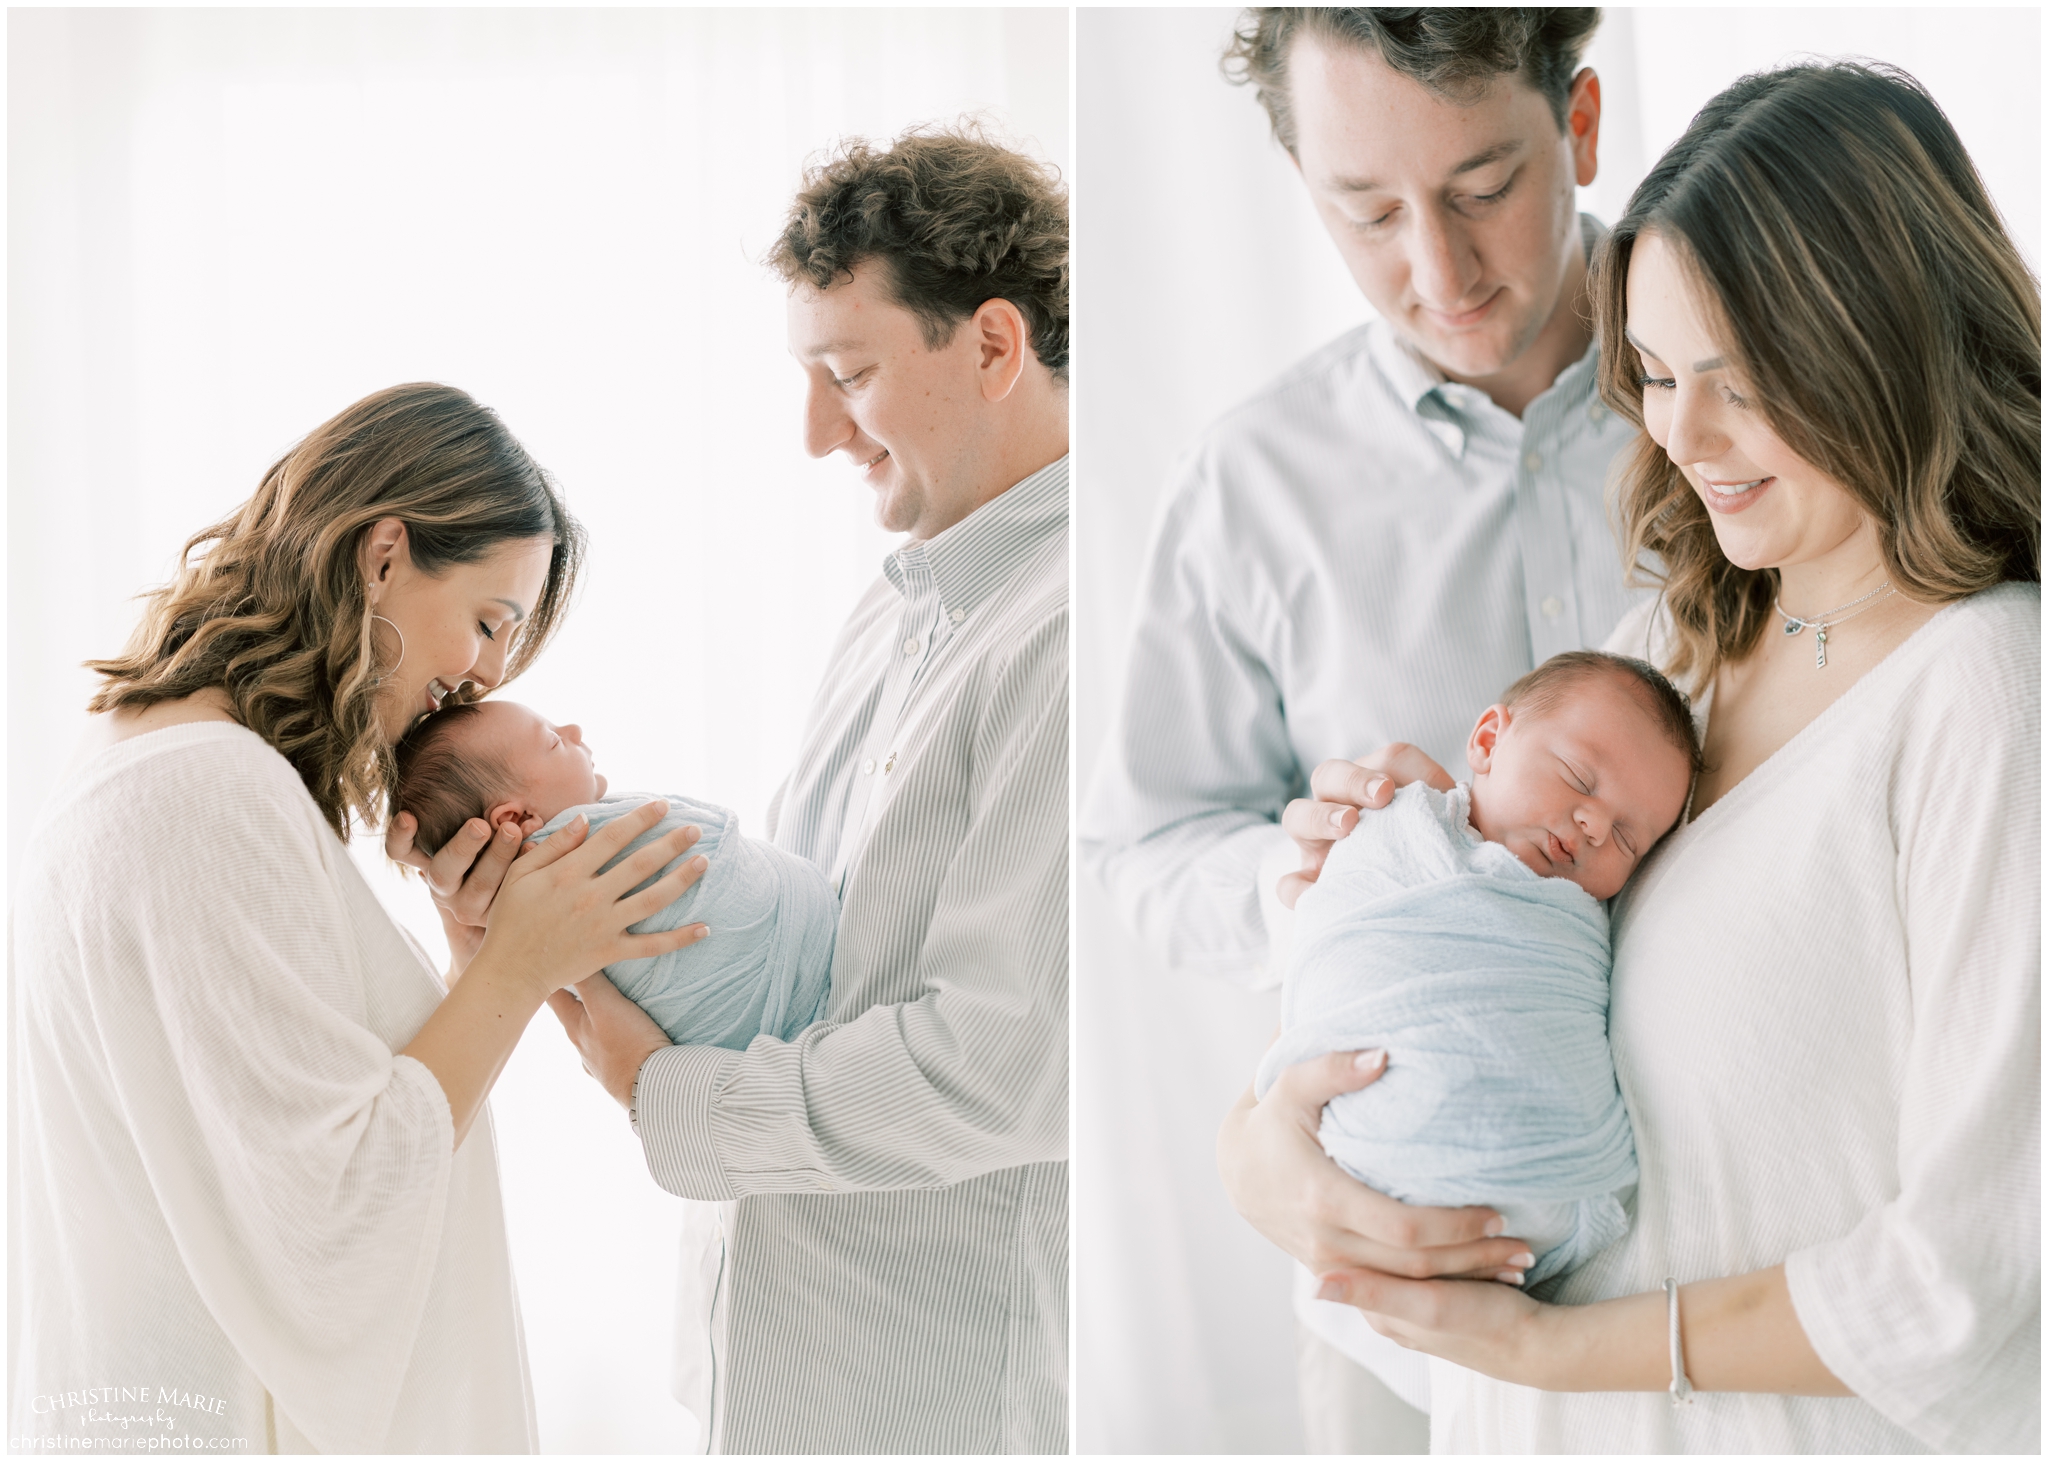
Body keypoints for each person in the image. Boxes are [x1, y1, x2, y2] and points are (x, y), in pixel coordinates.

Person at [1230, 61, 2039, 1453]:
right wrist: (1271, 1152)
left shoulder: (1985, 694)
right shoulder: (1669, 642)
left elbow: (1980, 1275)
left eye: (1742, 383)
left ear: (1886, 347)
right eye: (1655, 376)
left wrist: (1552, 1350)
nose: (1680, 434)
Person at [387, 126, 1070, 1453]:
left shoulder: (1067, 632)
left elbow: (998, 1064)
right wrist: (537, 948)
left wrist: (670, 1099)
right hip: (777, 1371)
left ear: (992, 347)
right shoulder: (894, 617)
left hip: (933, 1401)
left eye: (848, 374)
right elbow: (786, 973)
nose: (818, 432)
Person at [1082, 7, 1624, 1447]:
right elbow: (1143, 843)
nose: (1435, 271)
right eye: (1366, 210)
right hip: (1400, 1273)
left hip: (1745, 1219)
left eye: (1481, 188)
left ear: (1577, 124)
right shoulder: (1253, 483)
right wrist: (1303, 871)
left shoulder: (1767, 374)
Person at [10, 383, 711, 1452]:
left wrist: (476, 955)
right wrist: (512, 971)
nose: (484, 676)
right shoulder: (207, 792)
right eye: (488, 621)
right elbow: (328, 1218)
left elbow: (298, 1142)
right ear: (384, 554)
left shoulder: (162, 758)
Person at [1260, 651, 1697, 1287]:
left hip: (1555, 1190)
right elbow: (1336, 944)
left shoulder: (1574, 922)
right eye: (1578, 778)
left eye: (1629, 838)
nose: (1596, 825)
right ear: (1489, 740)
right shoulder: (1395, 828)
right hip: (1358, 1157)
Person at [391, 697, 835, 1051]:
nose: (573, 732)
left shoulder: (527, 909)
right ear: (521, 817)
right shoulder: (563, 882)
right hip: (793, 978)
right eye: (552, 741)